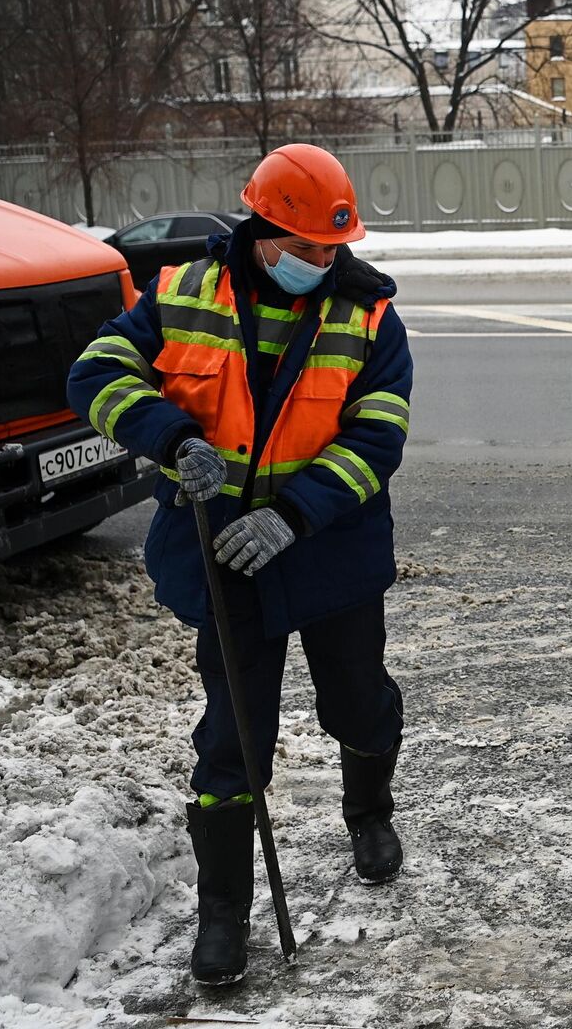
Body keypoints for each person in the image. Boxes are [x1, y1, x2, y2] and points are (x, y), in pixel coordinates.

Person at [66, 143, 412, 984]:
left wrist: (294, 515)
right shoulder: (181, 294)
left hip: (330, 553)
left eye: (332, 249)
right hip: (225, 558)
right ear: (260, 231)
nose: (321, 263)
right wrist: (171, 437)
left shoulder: (368, 315)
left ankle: (368, 809)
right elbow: (96, 373)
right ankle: (223, 912)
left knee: (359, 700)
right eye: (304, 248)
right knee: (234, 740)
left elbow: (379, 438)